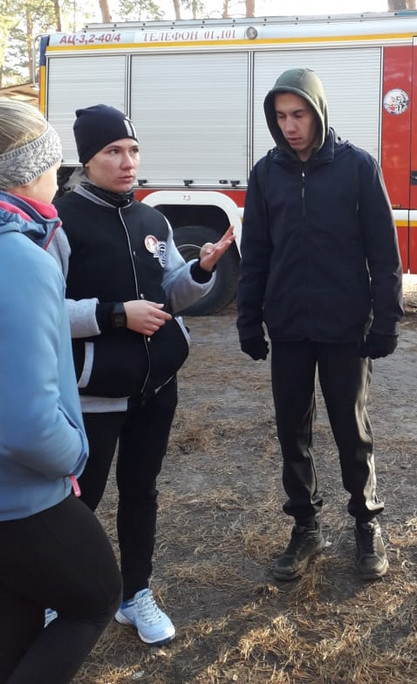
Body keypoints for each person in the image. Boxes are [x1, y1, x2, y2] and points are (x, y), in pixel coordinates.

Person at [51, 104, 235, 647]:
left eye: (132, 150)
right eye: (113, 151)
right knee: (79, 502)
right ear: (88, 159)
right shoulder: (61, 222)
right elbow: (43, 310)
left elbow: (170, 294)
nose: (127, 161)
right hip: (94, 393)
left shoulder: (153, 221)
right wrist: (114, 314)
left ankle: (136, 595)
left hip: (156, 388)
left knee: (141, 490)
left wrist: (200, 270)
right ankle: (57, 596)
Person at [236, 68, 403, 581]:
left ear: (319, 112)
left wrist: (386, 319)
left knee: (351, 429)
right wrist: (248, 318)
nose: (290, 126)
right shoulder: (266, 174)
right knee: (292, 430)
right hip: (288, 325)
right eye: (281, 116)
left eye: (299, 114)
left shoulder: (357, 167)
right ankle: (305, 526)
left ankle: (366, 522)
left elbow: (384, 252)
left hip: (345, 326)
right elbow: (256, 252)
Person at [0, 99, 121, 683]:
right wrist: (74, 455)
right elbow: (26, 424)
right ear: (29, 170)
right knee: (95, 596)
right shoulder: (19, 258)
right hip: (22, 492)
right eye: (54, 163)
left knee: (18, 606)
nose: (60, 175)